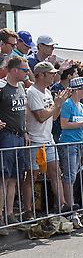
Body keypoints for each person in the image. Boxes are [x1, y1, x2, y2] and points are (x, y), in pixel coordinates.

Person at [22, 61, 72, 221]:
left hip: (48, 139)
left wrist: (59, 105)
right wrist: (56, 105)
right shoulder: (32, 92)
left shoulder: (48, 93)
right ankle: (28, 210)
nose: (54, 76)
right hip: (35, 140)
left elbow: (53, 116)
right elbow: (41, 117)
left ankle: (62, 204)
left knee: (56, 172)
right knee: (32, 175)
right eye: (51, 73)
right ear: (41, 75)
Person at [59, 77, 83, 228]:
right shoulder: (68, 104)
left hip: (77, 143)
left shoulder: (80, 105)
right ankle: (71, 210)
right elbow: (64, 124)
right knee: (69, 176)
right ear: (77, 90)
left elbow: (77, 125)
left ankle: (71, 207)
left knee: (72, 176)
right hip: (68, 144)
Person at [0, 56, 29, 234]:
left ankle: (10, 215)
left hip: (19, 137)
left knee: (13, 179)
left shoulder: (21, 87)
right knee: (3, 179)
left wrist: (25, 131)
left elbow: (22, 114)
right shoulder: (2, 87)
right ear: (14, 70)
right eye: (25, 70)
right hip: (6, 137)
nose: (27, 73)